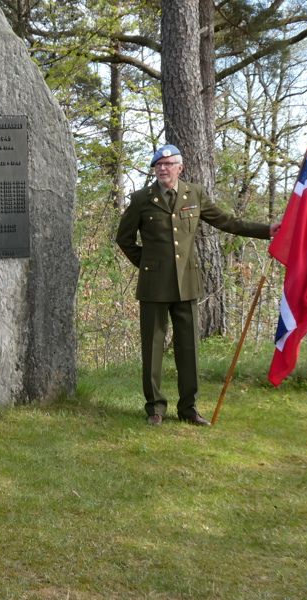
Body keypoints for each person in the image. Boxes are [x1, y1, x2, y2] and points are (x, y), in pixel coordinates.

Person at [116, 145, 280, 426]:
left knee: (188, 348)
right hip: (154, 285)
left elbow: (226, 221)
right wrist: (148, 265)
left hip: (186, 284)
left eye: (169, 164)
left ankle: (188, 409)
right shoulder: (142, 198)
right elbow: (125, 238)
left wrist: (266, 231)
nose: (163, 169)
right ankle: (155, 408)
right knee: (153, 349)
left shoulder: (194, 194)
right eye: (158, 165)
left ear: (180, 168)